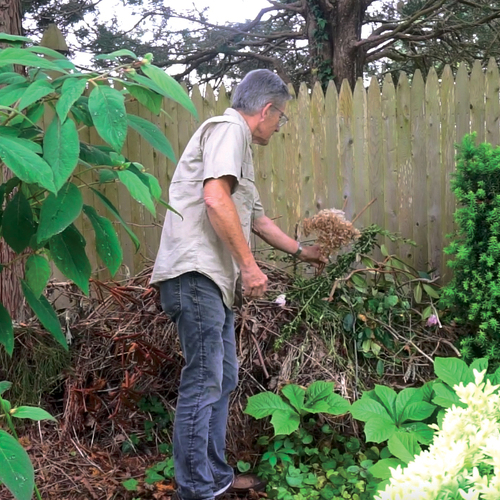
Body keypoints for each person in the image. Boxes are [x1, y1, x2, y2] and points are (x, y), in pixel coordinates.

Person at [151, 69, 326, 500]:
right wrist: (249, 267)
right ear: (266, 110)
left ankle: (211, 476)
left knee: (223, 376)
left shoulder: (239, 149)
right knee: (206, 379)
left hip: (212, 281)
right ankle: (194, 490)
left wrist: (304, 252)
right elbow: (215, 198)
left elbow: (258, 219)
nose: (278, 125)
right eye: (280, 118)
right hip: (196, 276)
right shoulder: (229, 129)